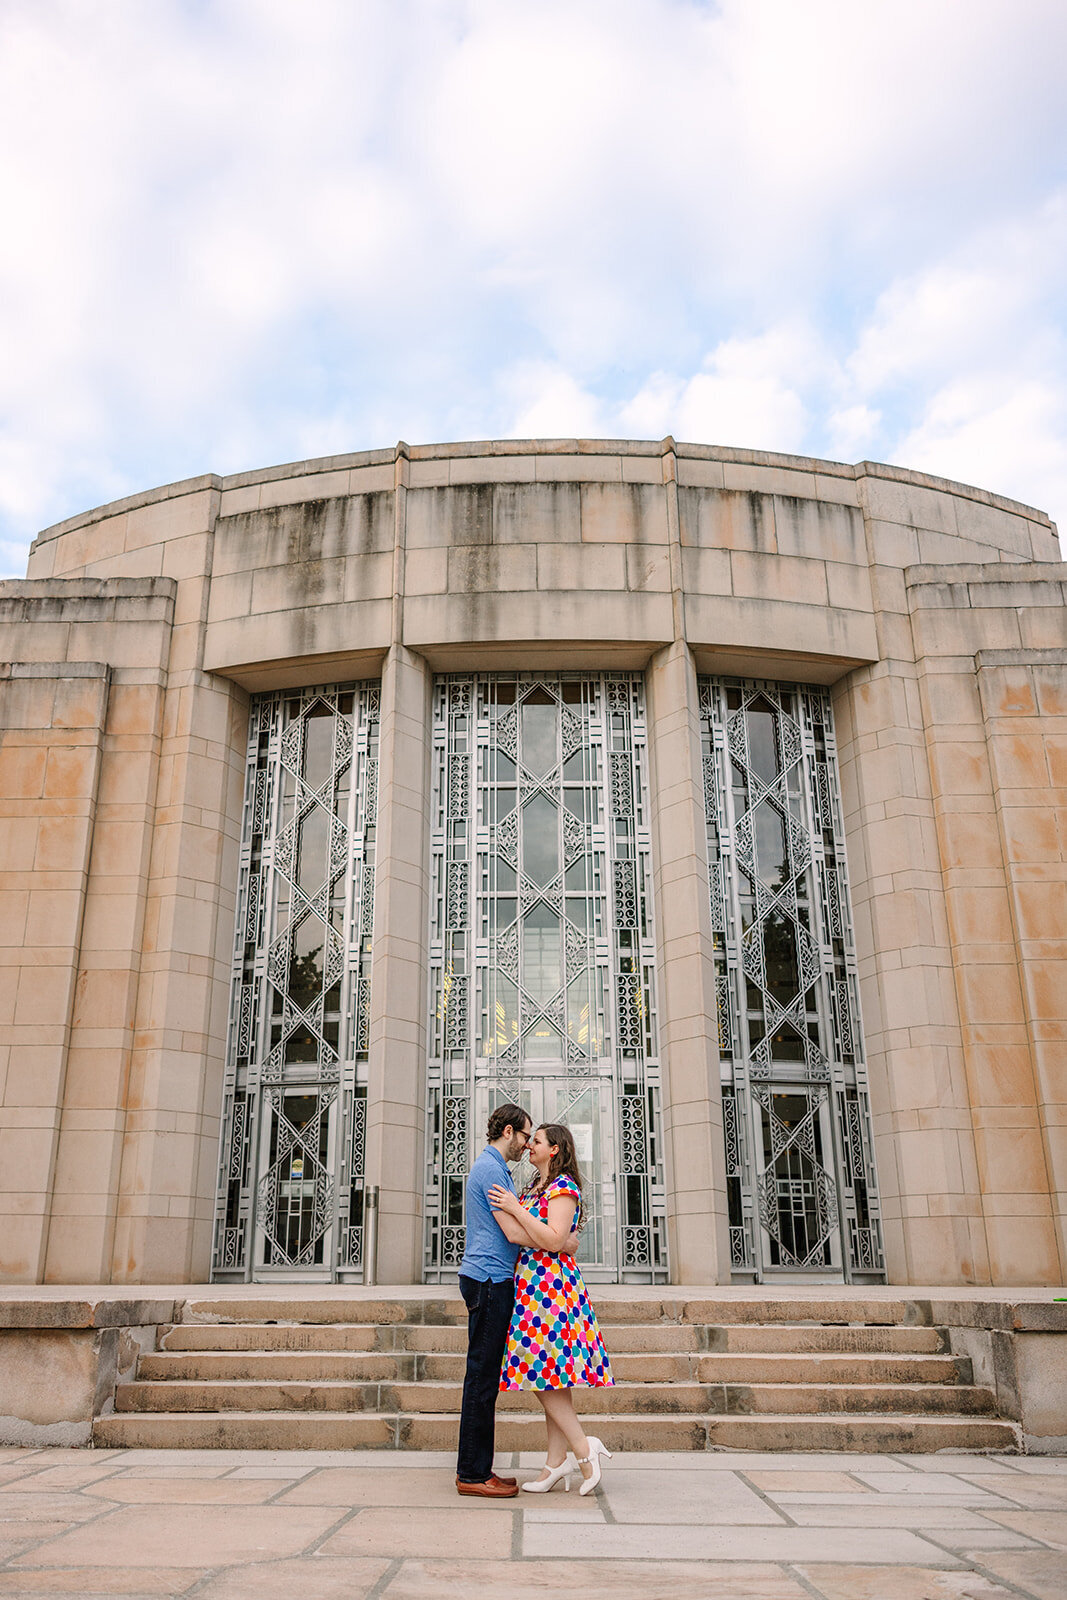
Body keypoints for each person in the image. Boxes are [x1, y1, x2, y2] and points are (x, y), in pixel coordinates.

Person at [489, 1122, 613, 1496]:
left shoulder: (563, 1187)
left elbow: (555, 1237)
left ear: (555, 1149)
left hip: (552, 1289)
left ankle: (582, 1447)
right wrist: (553, 1240)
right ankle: (555, 1464)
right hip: (532, 1284)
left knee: (541, 1372)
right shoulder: (533, 1187)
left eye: (537, 1141)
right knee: (548, 1374)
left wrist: (520, 1213)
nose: (529, 1146)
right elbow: (548, 1239)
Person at [454, 1101, 532, 1498]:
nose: (527, 1144)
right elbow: (514, 1232)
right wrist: (559, 1242)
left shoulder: (494, 1167)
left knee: (484, 1378)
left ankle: (478, 1467)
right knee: (482, 1379)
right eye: (524, 1135)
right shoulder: (490, 1169)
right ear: (508, 1132)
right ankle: (472, 1473)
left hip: (490, 1278)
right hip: (487, 1280)